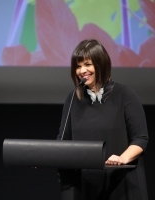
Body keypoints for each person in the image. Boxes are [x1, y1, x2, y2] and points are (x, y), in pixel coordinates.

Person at [57, 39, 149, 200]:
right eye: (78, 66)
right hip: (85, 186)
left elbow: (140, 138)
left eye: (87, 64)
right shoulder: (72, 99)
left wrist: (122, 158)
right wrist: (43, 156)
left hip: (121, 183)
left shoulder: (125, 95)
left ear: (101, 64)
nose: (82, 70)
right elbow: (63, 139)